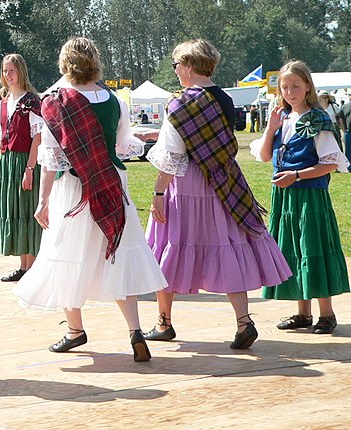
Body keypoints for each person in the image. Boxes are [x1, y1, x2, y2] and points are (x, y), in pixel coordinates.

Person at [14, 37, 168, 361]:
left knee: (68, 254)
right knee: (118, 253)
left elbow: (52, 158)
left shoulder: (56, 102)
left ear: (65, 63)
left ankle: (75, 330)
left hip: (75, 189)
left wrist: (43, 201)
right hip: (113, 181)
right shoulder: (114, 100)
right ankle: (135, 331)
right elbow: (124, 145)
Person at [141, 39, 291, 349]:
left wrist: (158, 192)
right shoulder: (224, 98)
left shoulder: (180, 103)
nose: (176, 70)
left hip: (187, 186)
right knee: (227, 247)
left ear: (191, 67)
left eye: (177, 65)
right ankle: (243, 322)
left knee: (169, 247)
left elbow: (173, 155)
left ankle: (163, 322)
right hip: (225, 183)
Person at [254, 60, 349, 334]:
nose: (290, 91)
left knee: (313, 248)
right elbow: (263, 156)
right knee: (293, 251)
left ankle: (327, 314)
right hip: (284, 198)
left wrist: (295, 176)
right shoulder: (282, 118)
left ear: (307, 86)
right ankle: (303, 313)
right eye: (284, 87)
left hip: (310, 196)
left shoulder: (318, 118)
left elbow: (331, 163)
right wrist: (271, 127)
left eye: (295, 86)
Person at [0, 53, 43, 282]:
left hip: (26, 161)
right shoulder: (2, 104)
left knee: (27, 209)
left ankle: (33, 266)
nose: (7, 75)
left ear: (21, 71)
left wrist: (29, 169)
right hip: (9, 162)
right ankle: (24, 266)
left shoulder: (31, 101)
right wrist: (1, 172)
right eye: (4, 71)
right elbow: (1, 141)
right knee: (15, 210)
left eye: (11, 70)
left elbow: (38, 138)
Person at [335, 97, 351, 170]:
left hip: (348, 132)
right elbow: (339, 117)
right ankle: (349, 167)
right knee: (348, 152)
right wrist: (344, 129)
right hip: (349, 132)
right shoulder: (345, 106)